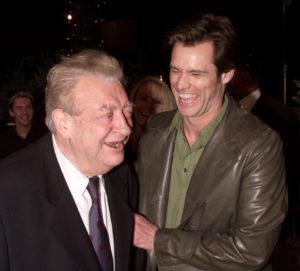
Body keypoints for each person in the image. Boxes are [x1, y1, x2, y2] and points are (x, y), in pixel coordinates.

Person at [133, 13, 287, 271]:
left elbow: (251, 251)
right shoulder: (153, 130)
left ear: (226, 74)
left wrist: (160, 241)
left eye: (196, 73)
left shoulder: (260, 145)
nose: (181, 84)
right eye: (175, 70)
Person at [0, 49, 138, 271]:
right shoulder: (7, 192)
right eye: (108, 115)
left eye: (127, 112)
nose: (125, 128)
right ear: (64, 123)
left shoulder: (123, 176)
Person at [228, 54, 300, 242]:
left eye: (230, 73)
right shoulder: (228, 112)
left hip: (271, 217)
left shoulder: (278, 115)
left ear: (243, 75)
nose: (225, 80)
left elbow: (291, 167)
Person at [128, 76, 176, 159]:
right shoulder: (121, 142)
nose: (149, 106)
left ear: (168, 107)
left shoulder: (173, 148)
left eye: (157, 102)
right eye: (143, 98)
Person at [0, 91, 47, 159]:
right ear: (11, 113)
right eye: (19, 108)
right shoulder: (3, 142)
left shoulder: (45, 135)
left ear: (33, 110)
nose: (24, 112)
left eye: (28, 107)